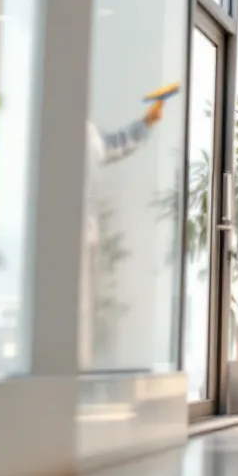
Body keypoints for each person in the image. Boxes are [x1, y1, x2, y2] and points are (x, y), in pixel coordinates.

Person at [79, 99, 164, 369]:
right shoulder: (68, 132)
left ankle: (79, 368)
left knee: (84, 309)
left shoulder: (88, 133)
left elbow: (114, 145)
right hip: (70, 234)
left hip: (86, 233)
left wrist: (146, 123)